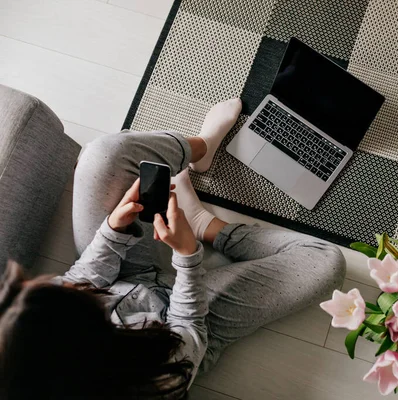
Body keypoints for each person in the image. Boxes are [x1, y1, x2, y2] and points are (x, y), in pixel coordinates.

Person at [0, 99, 346, 399]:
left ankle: (203, 148)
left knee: (103, 155)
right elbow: (187, 328)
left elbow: (80, 281)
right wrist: (187, 256)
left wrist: (113, 231)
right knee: (325, 260)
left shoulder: (23, 329)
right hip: (184, 329)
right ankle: (203, 223)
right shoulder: (147, 385)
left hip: (119, 279)